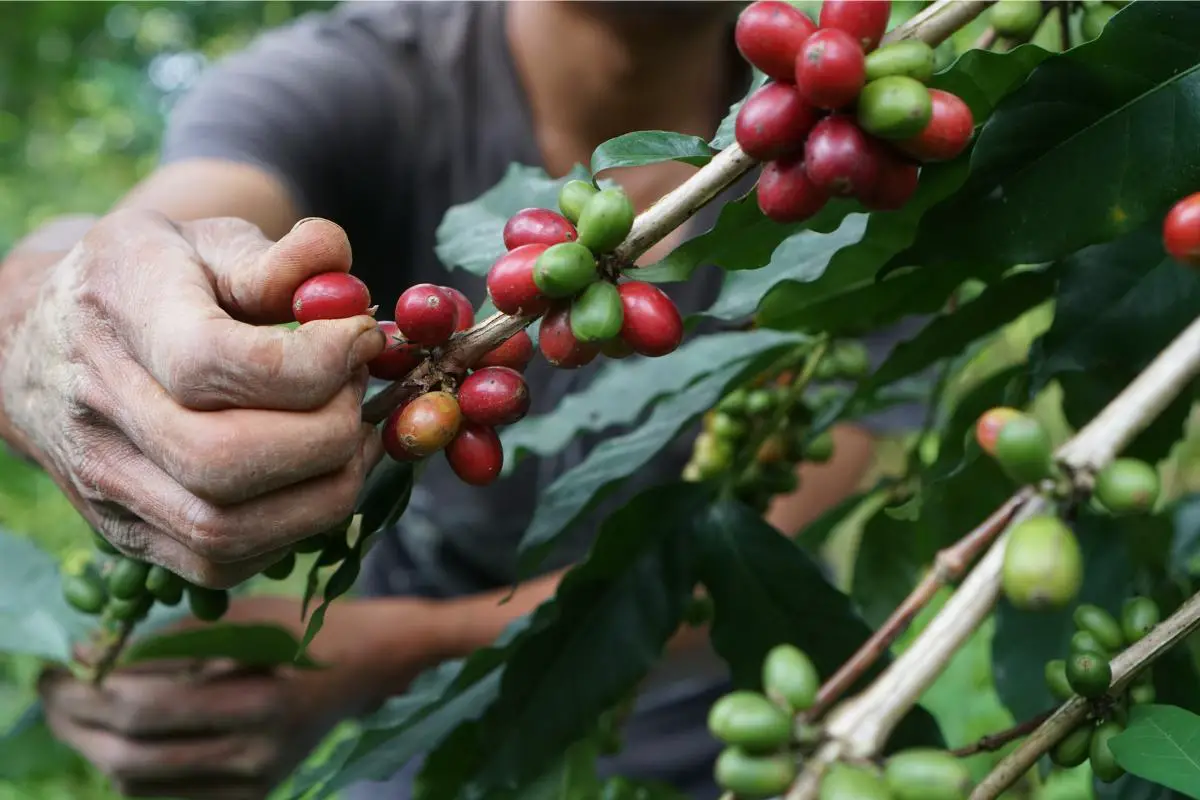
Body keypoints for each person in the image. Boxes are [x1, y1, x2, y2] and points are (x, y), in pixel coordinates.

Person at [3, 2, 924, 798]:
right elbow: (144, 228)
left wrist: (383, 650)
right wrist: (61, 311)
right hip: (421, 750)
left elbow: (756, 543)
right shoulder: (362, 76)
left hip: (717, 730)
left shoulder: (863, 181)